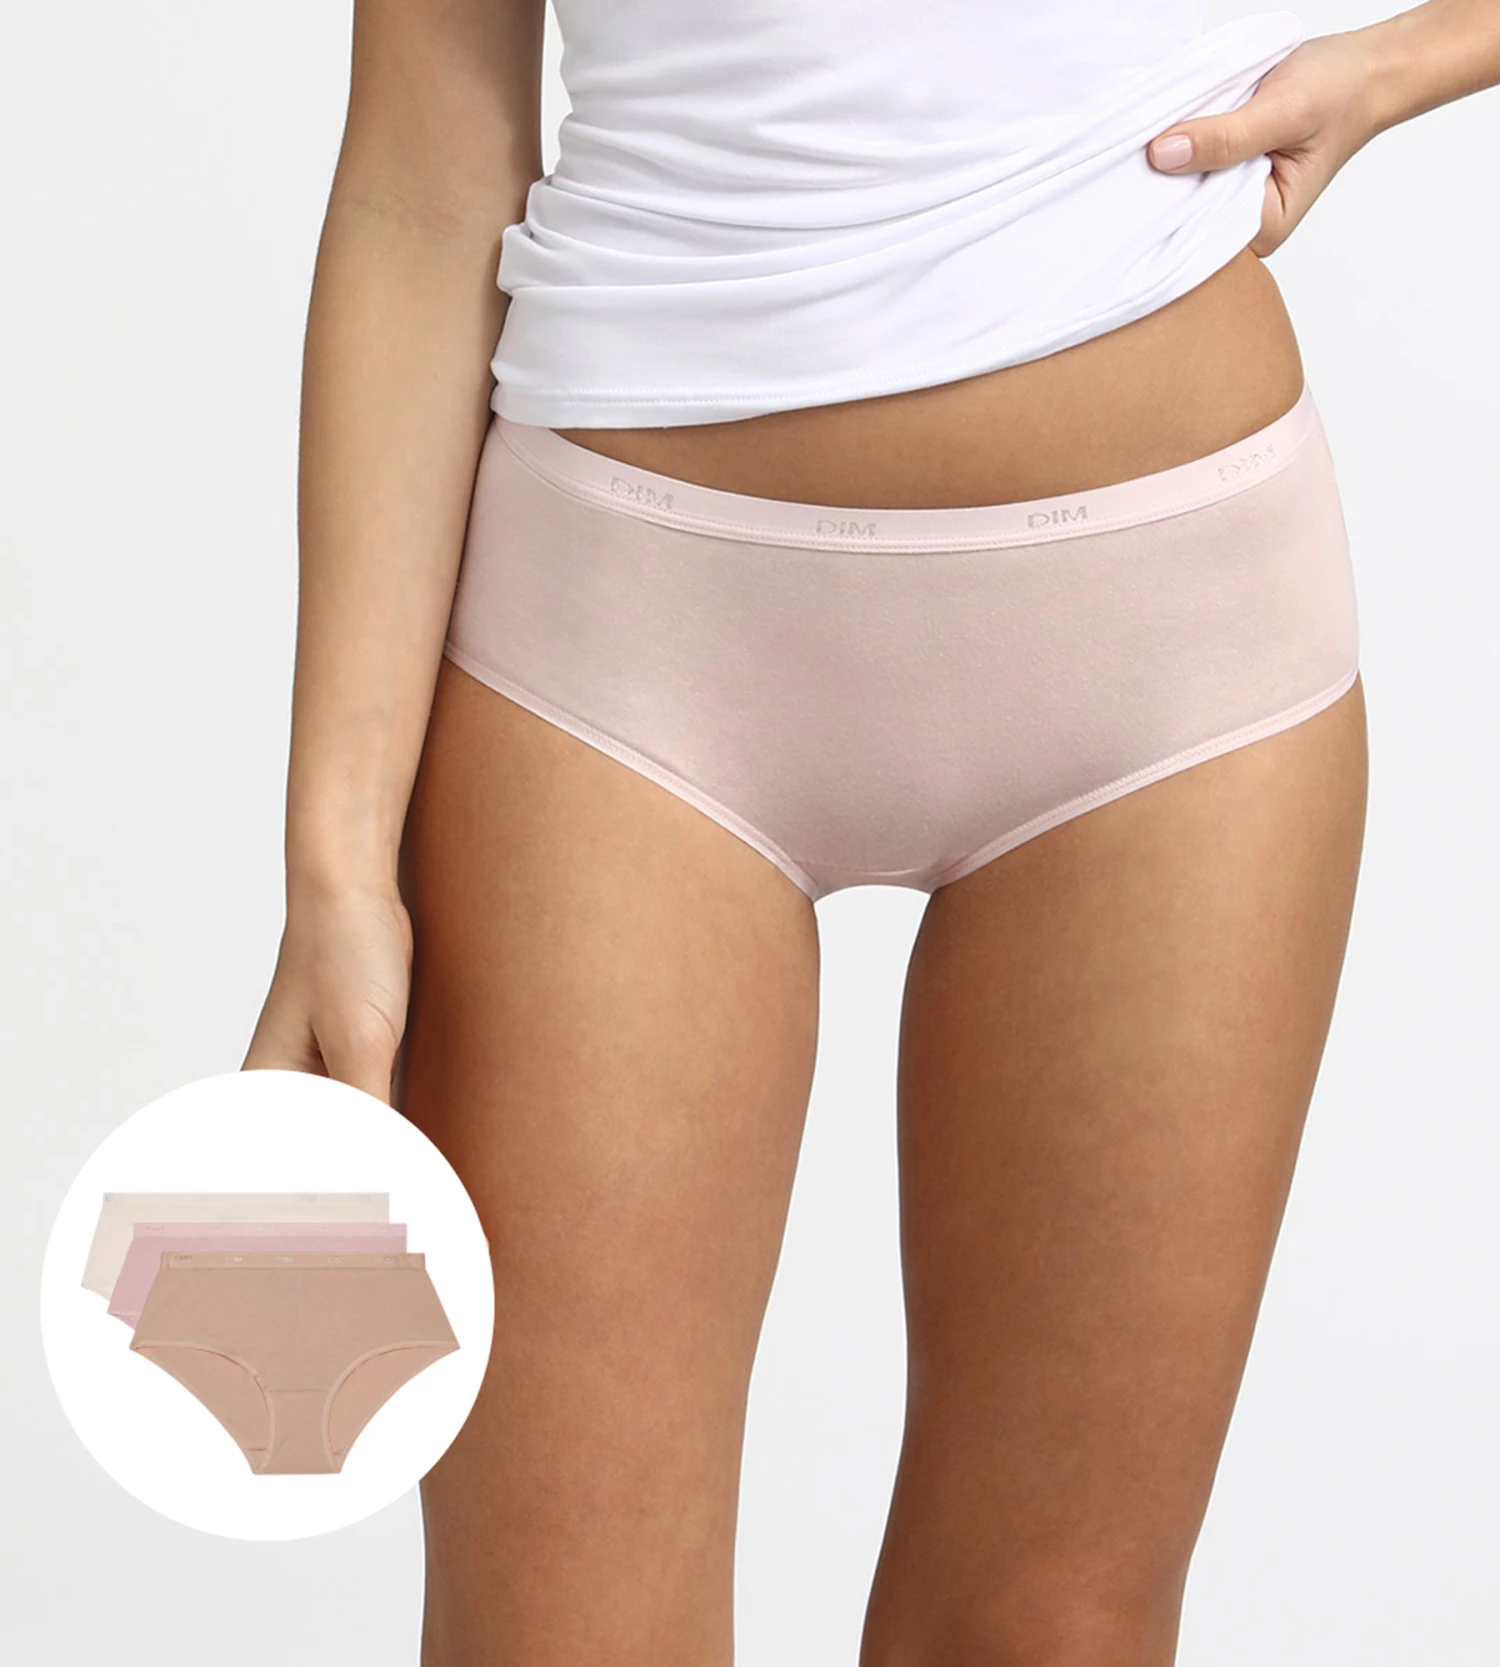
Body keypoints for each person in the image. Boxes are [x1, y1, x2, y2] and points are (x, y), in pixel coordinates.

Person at [245, 2, 1499, 1661]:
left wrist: (1403, 64)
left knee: (1049, 1630)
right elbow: (423, 174)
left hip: (1174, 661)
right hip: (625, 654)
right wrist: (336, 856)